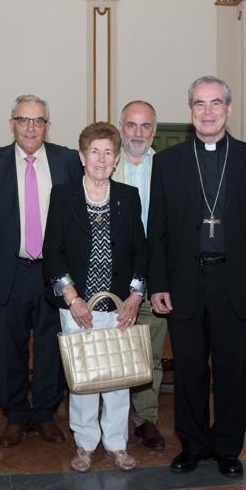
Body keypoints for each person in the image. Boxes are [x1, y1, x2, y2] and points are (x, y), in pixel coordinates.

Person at [147, 76, 246, 478]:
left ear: (228, 109)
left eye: (215, 103)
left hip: (234, 280)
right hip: (185, 280)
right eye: (200, 104)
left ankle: (227, 448)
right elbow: (158, 227)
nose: (208, 111)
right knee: (189, 369)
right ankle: (193, 445)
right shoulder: (167, 162)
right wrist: (158, 283)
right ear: (190, 111)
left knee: (232, 369)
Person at [0, 95, 83, 448]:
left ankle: (46, 414)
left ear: (48, 126)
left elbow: (78, 218)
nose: (31, 127)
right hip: (10, 271)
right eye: (23, 120)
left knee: (52, 346)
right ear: (12, 124)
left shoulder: (67, 161)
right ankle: (16, 415)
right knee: (10, 347)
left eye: (38, 121)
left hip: (54, 273)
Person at [44, 122, 148, 472]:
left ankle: (117, 444)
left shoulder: (128, 197)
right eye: (94, 151)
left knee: (118, 378)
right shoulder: (63, 195)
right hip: (77, 306)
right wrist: (72, 298)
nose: (101, 159)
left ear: (117, 159)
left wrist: (135, 296)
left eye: (108, 152)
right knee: (84, 379)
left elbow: (140, 251)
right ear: (81, 156)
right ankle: (85, 443)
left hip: (118, 306)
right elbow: (53, 251)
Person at [112, 100, 168, 451]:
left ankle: (146, 419)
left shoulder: (168, 168)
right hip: (113, 280)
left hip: (155, 278)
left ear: (154, 131)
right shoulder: (104, 165)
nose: (137, 133)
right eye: (131, 125)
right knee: (112, 352)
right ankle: (111, 421)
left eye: (145, 126)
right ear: (121, 128)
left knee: (150, 353)